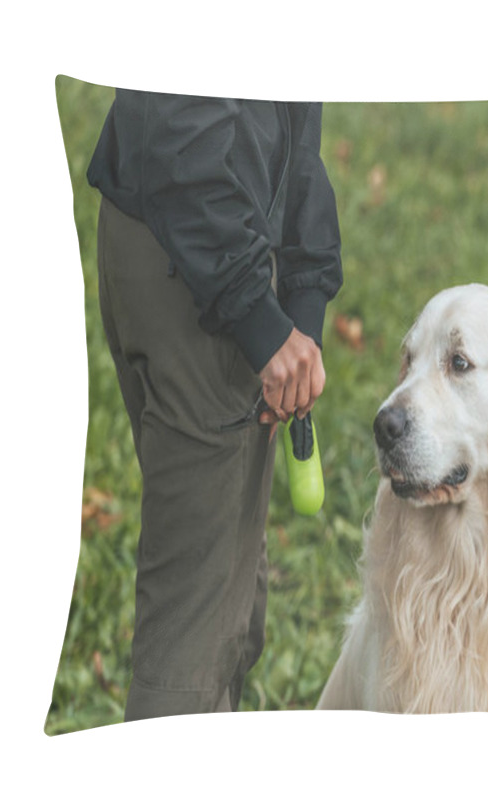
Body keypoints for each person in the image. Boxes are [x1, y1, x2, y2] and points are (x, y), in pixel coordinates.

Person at [87, 89, 342, 721]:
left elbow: (293, 120)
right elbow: (184, 129)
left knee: (228, 596)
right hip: (198, 258)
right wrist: (257, 314)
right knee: (193, 644)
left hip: (202, 240)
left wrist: (302, 298)